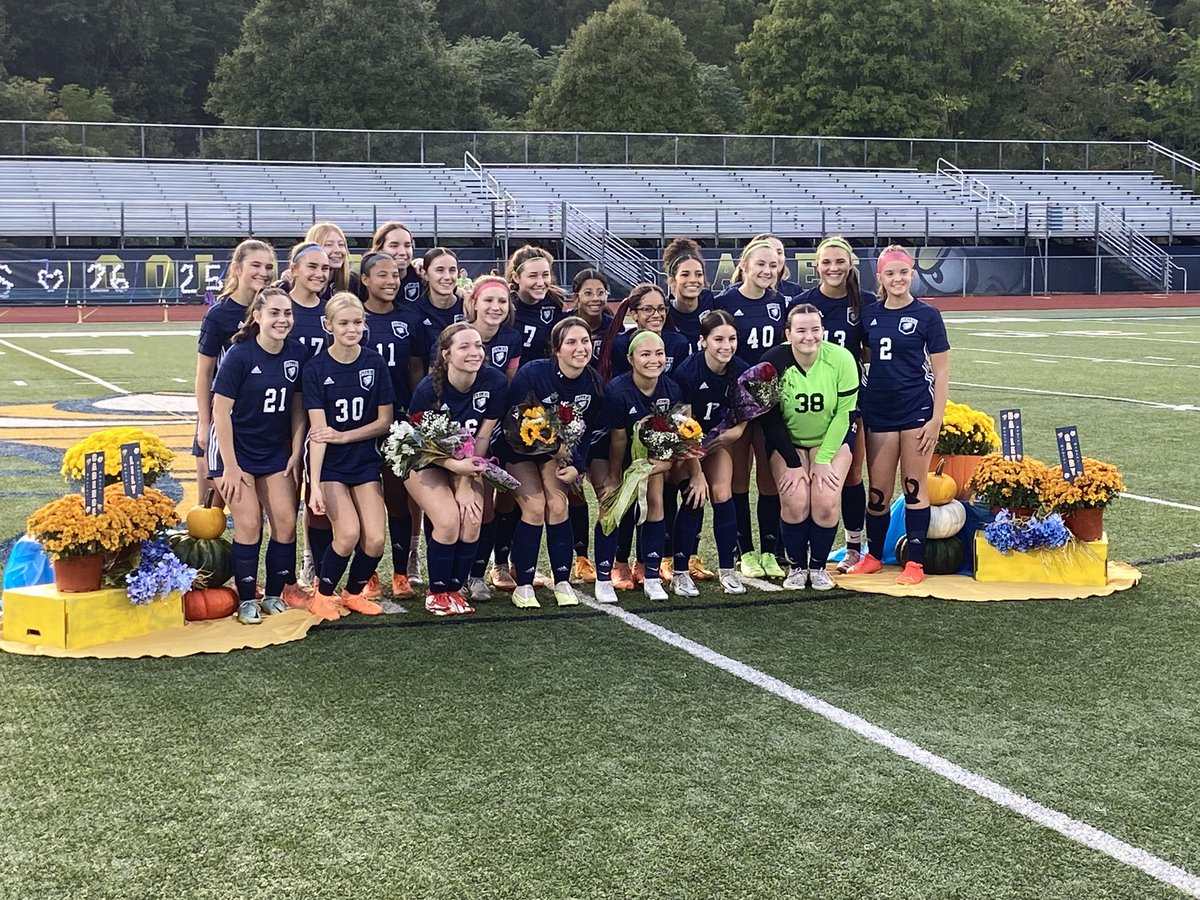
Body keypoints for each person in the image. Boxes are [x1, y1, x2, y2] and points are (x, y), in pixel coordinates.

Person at [845, 245, 950, 585]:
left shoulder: (927, 316)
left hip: (917, 410)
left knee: (915, 486)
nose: (897, 279)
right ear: (880, 278)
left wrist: (936, 419)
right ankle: (873, 556)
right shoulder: (871, 315)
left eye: (903, 272)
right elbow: (858, 355)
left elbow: (942, 371)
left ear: (912, 274)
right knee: (879, 490)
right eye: (890, 273)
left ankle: (915, 563)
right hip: (879, 410)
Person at [210, 287, 310, 624]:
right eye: (275, 313)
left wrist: (296, 448)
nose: (283, 320)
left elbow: (298, 405)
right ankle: (246, 597)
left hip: (273, 450)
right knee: (249, 523)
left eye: (288, 314)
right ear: (258, 317)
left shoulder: (296, 354)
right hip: (234, 449)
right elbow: (220, 412)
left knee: (285, 521)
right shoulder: (240, 355)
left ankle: (273, 593)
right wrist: (232, 467)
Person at [500, 316, 606, 609]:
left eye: (585, 341)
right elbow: (512, 422)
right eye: (571, 342)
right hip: (518, 452)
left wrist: (579, 465)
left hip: (556, 455)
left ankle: (562, 581)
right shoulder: (532, 373)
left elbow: (591, 430)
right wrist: (555, 446)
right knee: (535, 507)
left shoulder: (594, 382)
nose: (580, 348)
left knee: (558, 505)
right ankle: (523, 585)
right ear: (556, 350)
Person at [302, 293, 394, 619]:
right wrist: (314, 486)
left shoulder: (374, 362)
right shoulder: (315, 368)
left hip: (364, 461)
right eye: (343, 323)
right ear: (329, 326)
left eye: (357, 322)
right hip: (330, 466)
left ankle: (352, 593)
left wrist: (346, 436)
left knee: (376, 539)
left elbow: (384, 421)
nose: (351, 328)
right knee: (348, 533)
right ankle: (322, 594)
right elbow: (318, 433)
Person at [408, 323, 508, 616]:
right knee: (450, 519)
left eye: (478, 345)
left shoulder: (495, 381)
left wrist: (465, 482)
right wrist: (454, 466)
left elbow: (483, 438)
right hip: (425, 459)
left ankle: (455, 588)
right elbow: (419, 445)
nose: (474, 352)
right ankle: (436, 592)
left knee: (473, 517)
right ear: (446, 354)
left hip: (467, 462)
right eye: (464, 347)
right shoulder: (429, 389)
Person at [760, 304, 860, 591]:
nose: (809, 336)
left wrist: (824, 459)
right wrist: (793, 462)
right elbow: (771, 418)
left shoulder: (841, 359)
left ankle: (817, 567)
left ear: (823, 331)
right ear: (788, 333)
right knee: (795, 499)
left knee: (826, 500)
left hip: (829, 437)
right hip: (787, 441)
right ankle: (797, 566)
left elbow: (844, 414)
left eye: (815, 329)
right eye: (801, 330)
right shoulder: (772, 362)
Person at [599, 283, 691, 584]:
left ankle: (651, 562)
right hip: (623, 431)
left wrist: (665, 455)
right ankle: (619, 561)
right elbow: (618, 436)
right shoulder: (619, 349)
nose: (656, 314)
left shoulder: (677, 348)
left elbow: (680, 415)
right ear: (634, 312)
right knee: (625, 494)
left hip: (662, 440)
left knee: (660, 495)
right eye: (648, 309)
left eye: (661, 308)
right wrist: (617, 471)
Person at [793, 236, 874, 573]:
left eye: (840, 261)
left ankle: (853, 545)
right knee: (809, 475)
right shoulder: (804, 302)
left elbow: (870, 350)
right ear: (817, 267)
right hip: (809, 399)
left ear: (850, 264)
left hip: (849, 398)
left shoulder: (864, 302)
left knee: (852, 473)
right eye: (826, 262)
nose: (833, 268)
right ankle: (807, 548)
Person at [715, 238, 788, 580]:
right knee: (739, 478)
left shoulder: (781, 303)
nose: (767, 271)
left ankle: (771, 550)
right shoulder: (724, 303)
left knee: (770, 478)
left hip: (771, 401)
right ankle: (744, 550)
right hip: (737, 402)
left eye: (773, 265)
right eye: (760, 264)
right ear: (743, 265)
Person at [668, 309, 748, 595]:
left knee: (723, 493)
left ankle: (728, 569)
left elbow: (744, 415)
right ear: (703, 341)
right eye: (718, 339)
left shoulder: (740, 368)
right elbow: (684, 429)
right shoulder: (687, 372)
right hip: (684, 447)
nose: (726, 345)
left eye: (731, 338)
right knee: (694, 493)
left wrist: (737, 431)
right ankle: (680, 571)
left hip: (714, 444)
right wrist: (697, 473)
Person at [360, 251, 422, 606]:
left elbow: (415, 370)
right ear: (365, 280)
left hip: (398, 421)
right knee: (364, 499)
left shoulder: (408, 318)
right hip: (360, 423)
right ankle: (367, 573)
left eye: (395, 275)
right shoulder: (355, 317)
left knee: (398, 498)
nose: (390, 281)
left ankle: (400, 572)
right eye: (381, 275)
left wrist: (413, 415)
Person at [194, 238, 276, 502]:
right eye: (256, 265)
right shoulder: (219, 314)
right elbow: (205, 373)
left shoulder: (276, 311)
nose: (263, 273)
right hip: (223, 415)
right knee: (209, 508)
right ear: (237, 268)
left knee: (254, 506)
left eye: (268, 266)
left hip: (259, 419)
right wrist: (205, 424)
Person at [410, 247, 466, 384]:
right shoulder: (415, 312)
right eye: (439, 270)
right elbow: (415, 366)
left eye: (452, 270)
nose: (447, 277)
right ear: (425, 274)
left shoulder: (467, 308)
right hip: (429, 389)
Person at [508, 245, 564, 362]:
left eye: (545, 275)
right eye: (532, 276)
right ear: (516, 277)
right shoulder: (505, 303)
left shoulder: (555, 300)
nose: (540, 282)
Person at [465, 274, 523, 379]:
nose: (496, 307)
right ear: (475, 304)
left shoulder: (513, 338)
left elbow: (508, 382)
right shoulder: (456, 336)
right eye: (488, 300)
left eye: (502, 301)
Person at [663, 238, 715, 350]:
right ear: (672, 281)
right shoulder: (663, 311)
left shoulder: (710, 301)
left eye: (698, 274)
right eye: (685, 274)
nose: (693, 280)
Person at [363, 220, 421, 303]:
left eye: (407, 245)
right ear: (379, 249)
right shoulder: (363, 283)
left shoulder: (422, 276)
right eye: (394, 246)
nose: (402, 252)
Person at [732, 232, 802, 298]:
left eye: (779, 252)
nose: (774, 257)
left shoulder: (794, 291)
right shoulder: (729, 297)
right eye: (761, 264)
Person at [570, 268, 613, 365]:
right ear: (576, 297)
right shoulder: (563, 324)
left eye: (601, 293)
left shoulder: (614, 327)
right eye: (588, 293)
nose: (595, 298)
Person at [305, 222, 359, 298]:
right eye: (329, 245)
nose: (337, 250)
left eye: (341, 244)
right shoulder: (294, 283)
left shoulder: (353, 282)